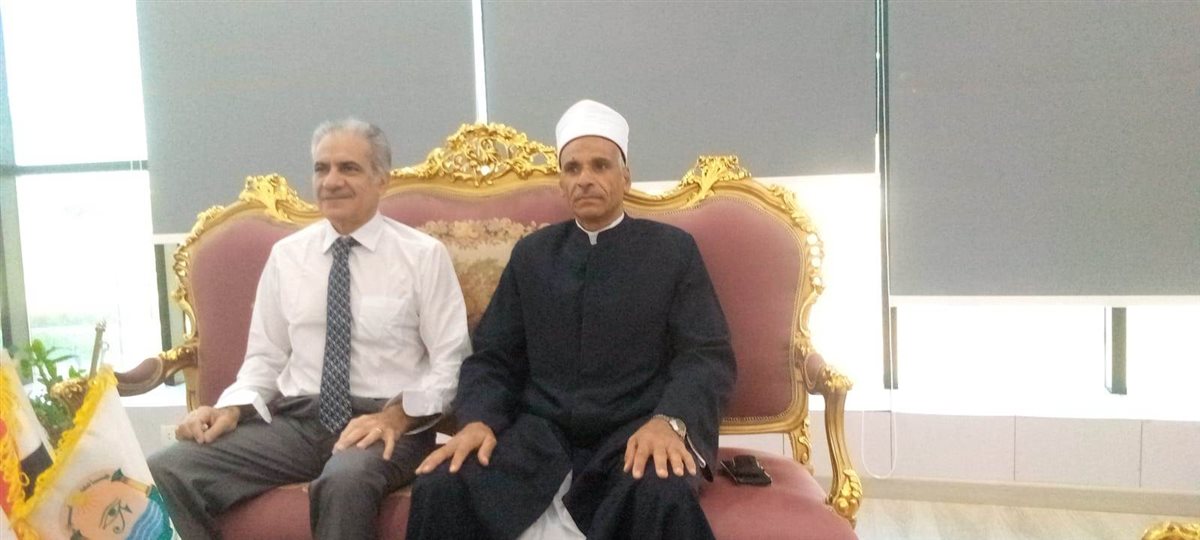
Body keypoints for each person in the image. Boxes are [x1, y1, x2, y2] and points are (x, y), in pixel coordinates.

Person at [406, 100, 736, 540]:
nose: (585, 179)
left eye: (600, 165)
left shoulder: (673, 252)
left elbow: (705, 356)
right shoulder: (532, 255)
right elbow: (493, 357)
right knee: (442, 485)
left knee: (663, 492)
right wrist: (479, 421)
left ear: (625, 176)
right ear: (561, 182)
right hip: (539, 438)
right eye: (572, 168)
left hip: (633, 433)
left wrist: (671, 420)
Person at [148, 118, 471, 539]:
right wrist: (231, 408)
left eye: (348, 168)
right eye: (322, 168)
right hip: (299, 421)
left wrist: (396, 417)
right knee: (169, 467)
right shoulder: (287, 256)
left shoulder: (422, 256)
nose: (331, 181)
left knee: (344, 480)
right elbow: (264, 359)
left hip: (384, 420)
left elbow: (452, 361)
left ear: (381, 179)